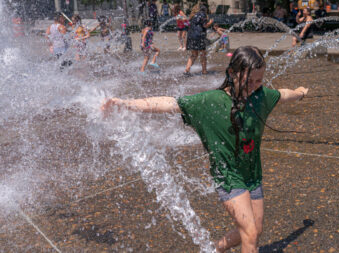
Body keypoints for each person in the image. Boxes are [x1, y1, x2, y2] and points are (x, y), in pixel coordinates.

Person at [101, 46, 309, 253]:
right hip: (228, 176)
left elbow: (282, 94)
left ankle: (216, 249)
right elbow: (170, 103)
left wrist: (300, 92)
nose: (254, 87)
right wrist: (124, 103)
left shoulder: (261, 96)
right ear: (232, 74)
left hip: (253, 175)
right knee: (250, 233)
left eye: (259, 81)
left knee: (255, 229)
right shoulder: (210, 102)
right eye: (249, 81)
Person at [184, 4, 213, 76]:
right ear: (205, 10)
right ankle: (204, 71)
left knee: (194, 54)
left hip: (190, 36)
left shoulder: (193, 16)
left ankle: (187, 70)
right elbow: (205, 25)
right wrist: (210, 22)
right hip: (199, 36)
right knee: (203, 54)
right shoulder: (203, 14)